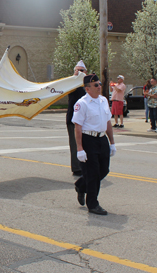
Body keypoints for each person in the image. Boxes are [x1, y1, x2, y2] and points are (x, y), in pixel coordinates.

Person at [73, 73, 116, 215]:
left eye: (100, 84)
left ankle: (80, 185)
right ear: (88, 89)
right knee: (92, 173)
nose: (99, 87)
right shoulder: (82, 104)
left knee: (104, 170)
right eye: (96, 85)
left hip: (102, 139)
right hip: (88, 140)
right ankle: (93, 204)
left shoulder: (104, 100)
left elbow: (108, 122)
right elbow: (78, 127)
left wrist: (112, 142)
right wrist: (79, 148)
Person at [66, 60, 87, 176]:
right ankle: (77, 168)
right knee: (75, 144)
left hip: (85, 120)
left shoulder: (88, 85)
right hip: (73, 120)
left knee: (86, 144)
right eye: (77, 70)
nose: (79, 72)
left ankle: (85, 165)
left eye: (81, 70)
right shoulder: (72, 84)